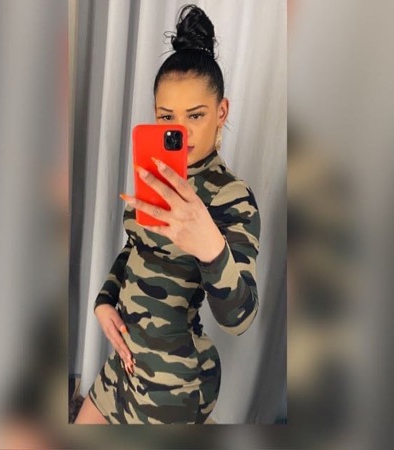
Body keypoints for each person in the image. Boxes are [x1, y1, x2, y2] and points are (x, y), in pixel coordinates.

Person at [75, 4, 261, 424]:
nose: (182, 132)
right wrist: (104, 301)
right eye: (167, 117)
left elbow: (240, 318)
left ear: (222, 112)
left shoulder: (232, 196)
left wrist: (211, 247)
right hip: (123, 363)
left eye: (196, 115)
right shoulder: (156, 175)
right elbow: (134, 247)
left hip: (173, 384)